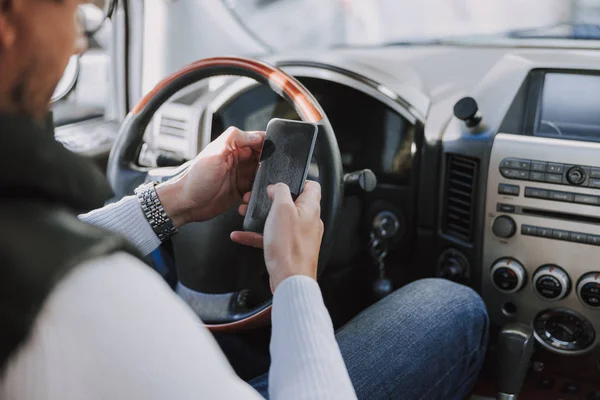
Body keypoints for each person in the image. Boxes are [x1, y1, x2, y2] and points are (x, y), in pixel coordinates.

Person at [0, 1, 489, 399]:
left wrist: (171, 202)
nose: (81, 40)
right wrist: (295, 277)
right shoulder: (80, 296)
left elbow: (55, 238)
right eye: (75, 12)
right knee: (451, 305)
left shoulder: (34, 251)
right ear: (9, 19)